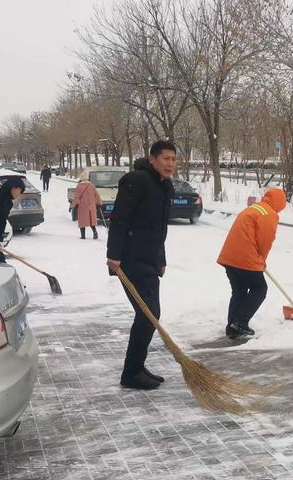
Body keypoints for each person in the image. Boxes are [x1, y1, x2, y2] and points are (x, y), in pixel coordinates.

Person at [107, 141, 176, 390]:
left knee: (148, 315)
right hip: (130, 259)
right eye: (165, 158)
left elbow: (160, 229)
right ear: (152, 159)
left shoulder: (164, 186)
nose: (170, 164)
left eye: (173, 159)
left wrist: (161, 259)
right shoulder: (136, 180)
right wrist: (113, 255)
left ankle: (137, 366)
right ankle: (131, 373)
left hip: (149, 259)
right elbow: (119, 219)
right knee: (149, 315)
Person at [217, 188, 287, 339]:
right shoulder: (269, 214)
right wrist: (261, 260)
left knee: (239, 291)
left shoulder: (255, 208)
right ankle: (240, 323)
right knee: (260, 289)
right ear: (280, 202)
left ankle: (232, 327)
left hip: (230, 257)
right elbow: (265, 241)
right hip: (246, 258)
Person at [71, 172, 102, 239]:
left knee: (82, 221)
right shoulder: (92, 185)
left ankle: (83, 235)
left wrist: (74, 205)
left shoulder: (79, 186)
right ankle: (95, 232)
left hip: (82, 206)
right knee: (91, 220)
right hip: (91, 206)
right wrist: (99, 203)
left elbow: (76, 197)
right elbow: (97, 195)